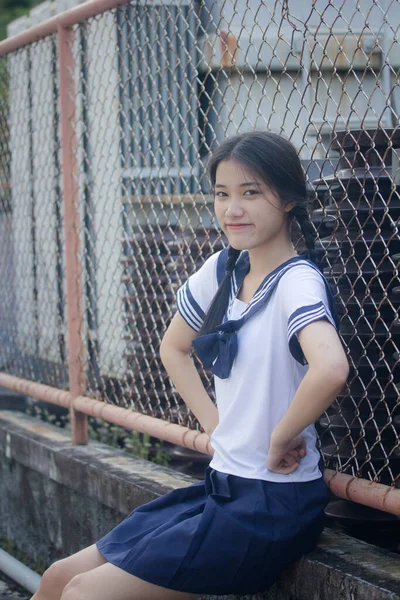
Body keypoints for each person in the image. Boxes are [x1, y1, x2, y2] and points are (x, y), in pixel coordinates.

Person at [31, 131, 349, 600]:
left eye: (250, 193)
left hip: (271, 504)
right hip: (222, 486)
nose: (232, 209)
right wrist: (217, 428)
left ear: (286, 199)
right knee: (60, 577)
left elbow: (331, 368)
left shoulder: (297, 282)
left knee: (85, 593)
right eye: (222, 194)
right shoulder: (224, 268)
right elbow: (173, 348)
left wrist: (280, 436)